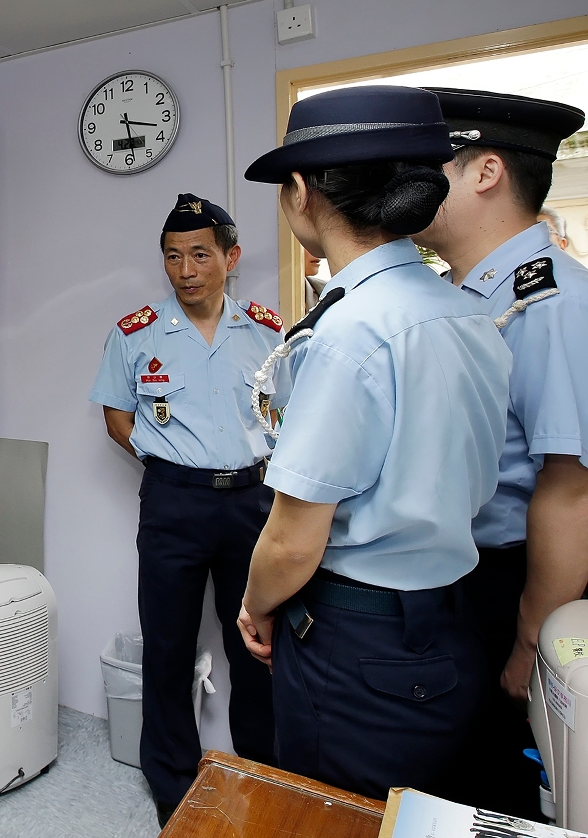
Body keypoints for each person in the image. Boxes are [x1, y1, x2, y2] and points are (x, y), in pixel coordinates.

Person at [237, 85, 512, 800]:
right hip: (450, 614)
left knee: (340, 811)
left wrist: (256, 604)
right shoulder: (469, 312)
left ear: (300, 193)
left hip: (358, 638)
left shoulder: (350, 331)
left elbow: (294, 542)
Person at [414, 88, 588, 819]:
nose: (409, 189)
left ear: (485, 172)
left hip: (513, 580)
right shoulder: (463, 295)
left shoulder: (548, 302)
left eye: (430, 170)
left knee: (499, 784)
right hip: (461, 572)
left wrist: (530, 640)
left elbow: (568, 488)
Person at [89, 193, 281, 826]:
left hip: (253, 500)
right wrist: (169, 463)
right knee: (167, 643)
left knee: (254, 638)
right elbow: (118, 417)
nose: (186, 269)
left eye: (200, 254)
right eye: (173, 257)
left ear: (231, 256)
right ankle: (171, 778)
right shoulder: (136, 333)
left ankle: (261, 765)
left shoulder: (267, 330)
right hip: (173, 502)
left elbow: (287, 415)